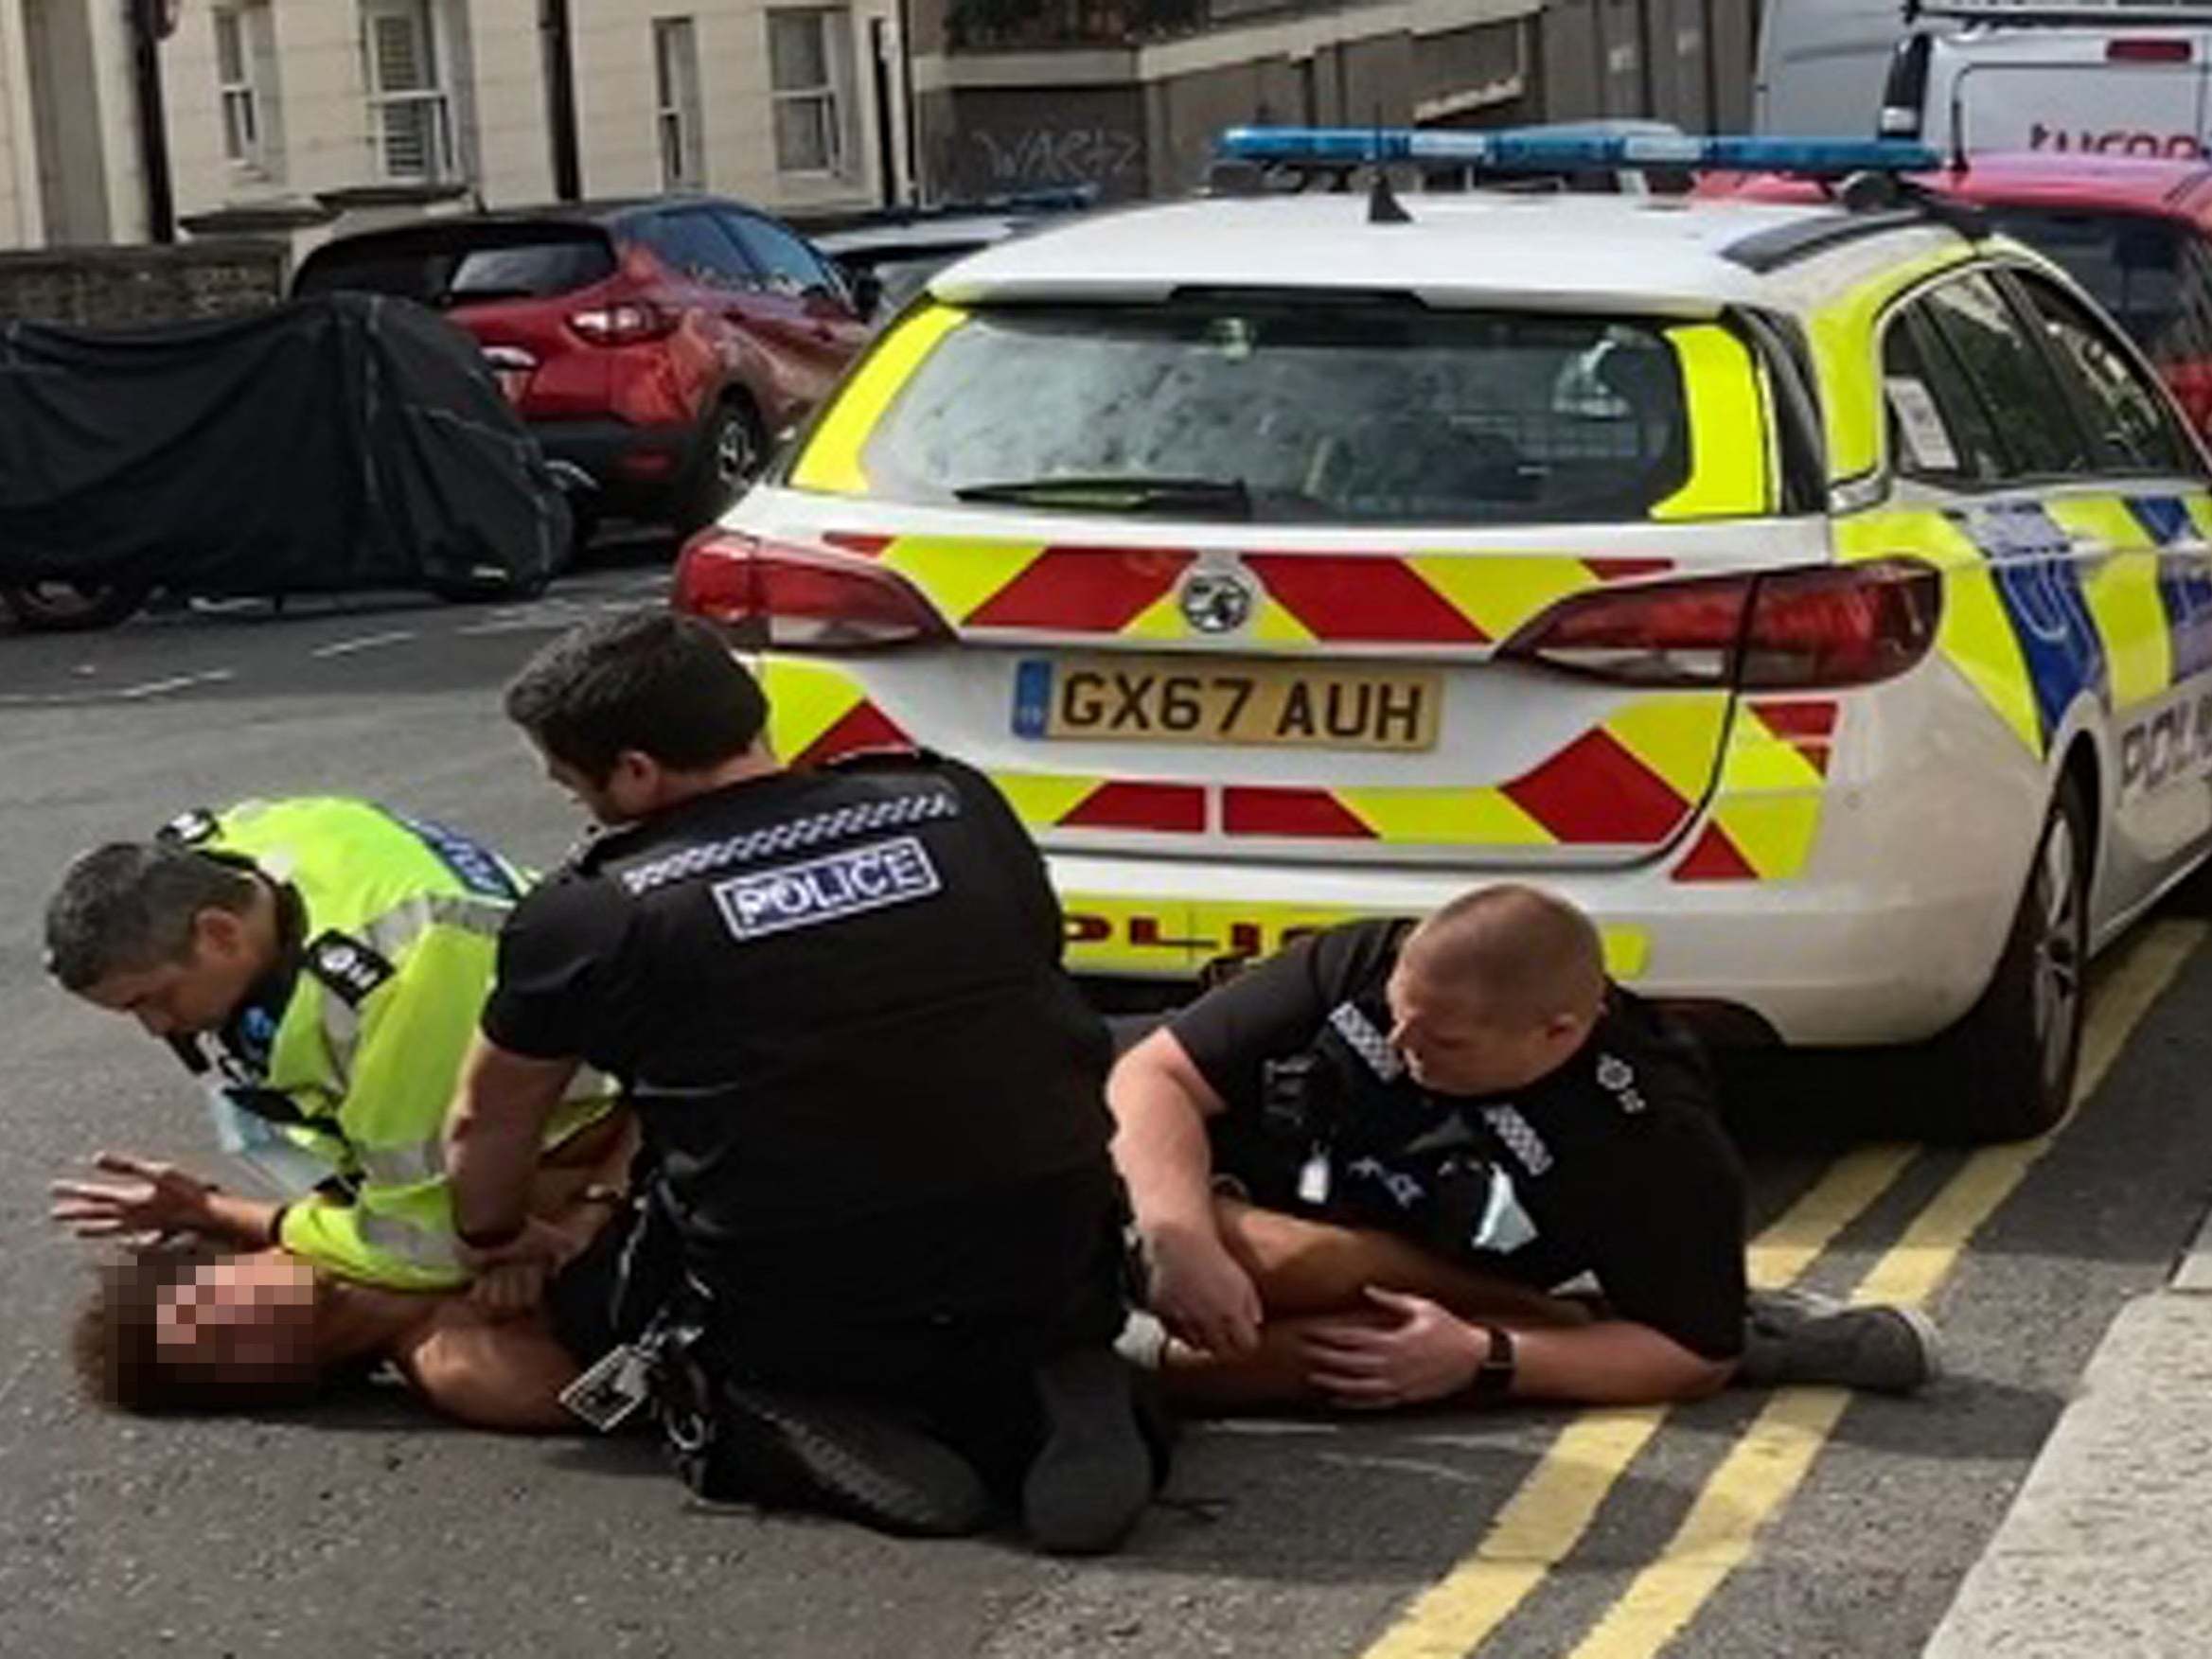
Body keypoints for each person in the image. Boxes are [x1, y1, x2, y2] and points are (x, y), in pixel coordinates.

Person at [441, 610, 1159, 1552]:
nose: (559, 791)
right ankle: (1066, 1379)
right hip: (1052, 1259)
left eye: (567, 773)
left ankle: (769, 1415)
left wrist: (498, 1235)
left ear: (636, 771)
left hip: (803, 1304)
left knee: (585, 1293)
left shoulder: (595, 911)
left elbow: (486, 1121)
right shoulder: (955, 803)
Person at [1108, 885, 1939, 1411]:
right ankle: (1582, 1320)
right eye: (1396, 1013)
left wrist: (1483, 1357)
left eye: (1444, 1041)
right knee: (1244, 1252)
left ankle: (1593, 1324)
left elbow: (1692, 1356)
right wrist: (1176, 1239)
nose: (1400, 1043)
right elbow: (1152, 1078)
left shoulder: (1647, 1130)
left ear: (1560, 1033)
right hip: (1202, 1202)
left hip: (1383, 1272)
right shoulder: (1365, 957)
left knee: (1279, 1330)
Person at [42, 799, 620, 1292]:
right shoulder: (235, 842)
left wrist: (220, 1213)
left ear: (219, 931)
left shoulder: (395, 984)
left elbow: (425, 1249)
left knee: (457, 1357)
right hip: (543, 1021)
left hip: (593, 1117)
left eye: (156, 998)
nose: (156, 1027)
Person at [55, 1141, 632, 1430]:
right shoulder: (468, 1367)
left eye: (212, 1306)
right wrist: (564, 1270)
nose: (242, 1325)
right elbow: (667, 1384)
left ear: (229, 1260)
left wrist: (208, 1206)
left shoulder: (348, 1199)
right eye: (225, 1354)